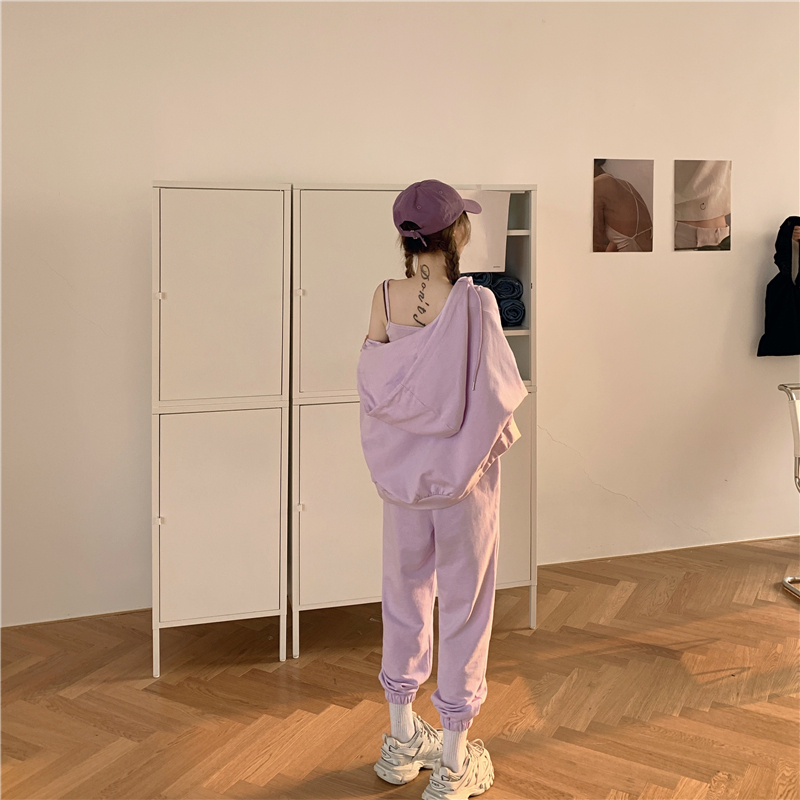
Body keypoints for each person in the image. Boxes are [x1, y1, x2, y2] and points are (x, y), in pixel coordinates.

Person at [356, 179, 528, 799]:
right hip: (464, 489)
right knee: (465, 608)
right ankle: (454, 762)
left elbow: (375, 391)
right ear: (457, 232)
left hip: (403, 486)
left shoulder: (384, 297)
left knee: (403, 600)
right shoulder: (475, 303)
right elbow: (500, 395)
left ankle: (402, 739)